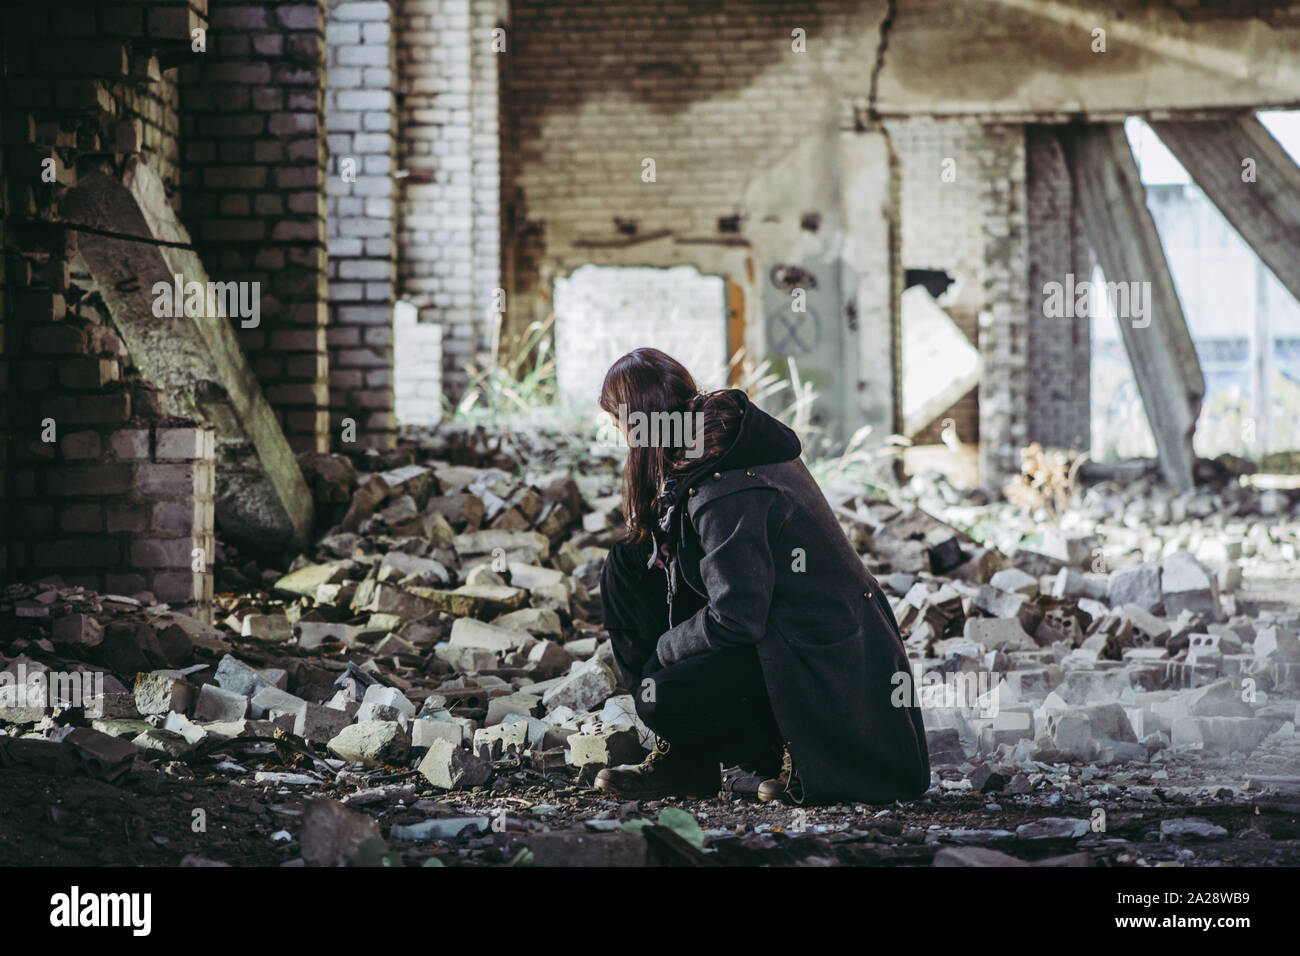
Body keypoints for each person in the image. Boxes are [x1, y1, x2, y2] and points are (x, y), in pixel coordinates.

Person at [595, 347, 930, 805]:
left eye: (621, 427)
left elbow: (737, 617)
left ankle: (789, 753)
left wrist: (665, 651)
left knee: (662, 695)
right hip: (781, 630)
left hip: (823, 654)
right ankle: (686, 763)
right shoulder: (715, 449)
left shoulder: (723, 485)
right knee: (627, 564)